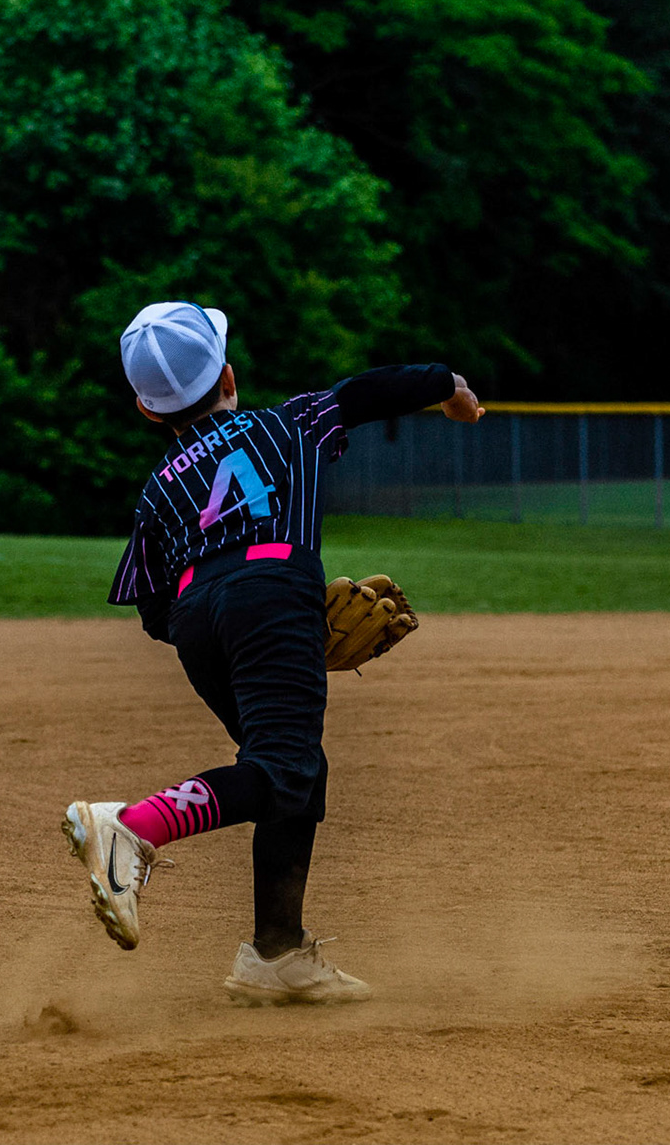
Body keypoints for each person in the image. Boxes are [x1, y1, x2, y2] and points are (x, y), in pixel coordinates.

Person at [66, 301, 483, 1004]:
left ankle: (277, 953)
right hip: (276, 585)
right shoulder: (285, 424)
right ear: (229, 374)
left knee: (293, 771)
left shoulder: (156, 492)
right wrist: (448, 386)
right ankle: (132, 829)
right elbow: (368, 391)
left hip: (198, 617)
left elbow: (152, 612)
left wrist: (234, 631)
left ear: (147, 410)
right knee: (285, 766)